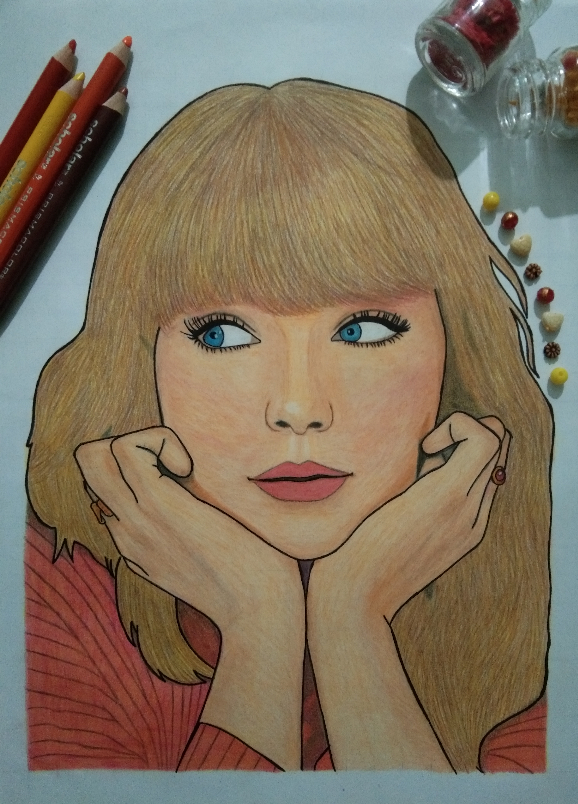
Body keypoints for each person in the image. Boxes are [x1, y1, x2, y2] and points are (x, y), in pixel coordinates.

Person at [25, 79, 551, 773]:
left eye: (363, 329)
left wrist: (351, 616)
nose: (298, 407)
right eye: (221, 334)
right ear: (138, 355)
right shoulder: (56, 586)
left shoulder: (540, 576)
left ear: (455, 343)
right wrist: (259, 623)